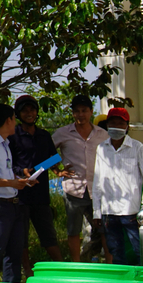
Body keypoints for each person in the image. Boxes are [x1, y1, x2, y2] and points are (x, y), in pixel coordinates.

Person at [0, 103, 37, 283]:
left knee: (14, 252)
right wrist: (11, 183)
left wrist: (22, 179)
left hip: (13, 204)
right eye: (14, 119)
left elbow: (3, 172)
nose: (15, 124)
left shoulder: (4, 143)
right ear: (8, 120)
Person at [91, 107, 143, 265]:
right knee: (116, 251)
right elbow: (98, 180)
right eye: (112, 123)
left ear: (127, 126)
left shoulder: (137, 147)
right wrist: (97, 212)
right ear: (107, 125)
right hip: (109, 212)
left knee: (139, 250)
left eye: (120, 123)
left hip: (131, 210)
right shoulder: (102, 148)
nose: (116, 127)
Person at [52, 95, 110, 262]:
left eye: (84, 110)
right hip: (74, 189)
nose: (81, 115)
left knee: (104, 230)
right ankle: (76, 265)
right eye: (77, 111)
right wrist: (57, 171)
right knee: (73, 230)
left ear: (91, 112)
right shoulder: (63, 133)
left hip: (98, 189)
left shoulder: (102, 134)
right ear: (73, 113)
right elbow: (48, 152)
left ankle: (110, 263)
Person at [9, 94, 62, 276]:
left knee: (48, 234)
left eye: (32, 109)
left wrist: (54, 170)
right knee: (22, 237)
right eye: (25, 110)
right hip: (21, 194)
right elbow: (8, 163)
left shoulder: (44, 135)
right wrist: (22, 171)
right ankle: (27, 271)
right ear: (18, 113)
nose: (29, 113)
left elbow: (53, 158)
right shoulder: (13, 135)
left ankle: (62, 269)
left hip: (40, 194)